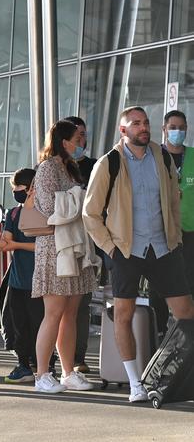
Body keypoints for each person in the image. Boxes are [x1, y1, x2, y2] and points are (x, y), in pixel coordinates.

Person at [83, 106, 194, 403]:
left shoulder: (162, 157)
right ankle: (135, 383)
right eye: (136, 124)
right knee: (124, 314)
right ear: (123, 130)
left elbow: (173, 200)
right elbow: (90, 213)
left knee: (186, 313)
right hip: (127, 250)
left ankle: (168, 375)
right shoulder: (110, 163)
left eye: (145, 123)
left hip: (163, 247)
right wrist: (111, 248)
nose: (143, 127)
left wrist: (175, 237)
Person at [31, 120, 99, 394]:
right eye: (77, 137)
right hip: (55, 247)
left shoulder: (69, 166)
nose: (81, 141)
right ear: (63, 140)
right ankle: (41, 374)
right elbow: (48, 207)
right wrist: (80, 197)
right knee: (54, 312)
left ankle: (68, 371)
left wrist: (77, 197)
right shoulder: (48, 167)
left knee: (70, 312)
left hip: (73, 244)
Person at [0, 168, 42, 383]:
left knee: (39, 324)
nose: (15, 192)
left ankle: (44, 366)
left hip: (39, 279)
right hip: (17, 279)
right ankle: (23, 365)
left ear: (32, 188)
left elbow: (42, 246)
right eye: (13, 188)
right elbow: (6, 241)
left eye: (19, 188)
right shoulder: (14, 213)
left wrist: (15, 245)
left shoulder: (43, 212)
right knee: (20, 325)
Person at [149, 110, 194, 335]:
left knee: (189, 277)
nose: (178, 131)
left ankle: (186, 332)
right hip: (160, 230)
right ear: (164, 129)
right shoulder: (153, 157)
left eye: (182, 127)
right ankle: (158, 331)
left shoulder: (193, 156)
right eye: (173, 127)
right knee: (159, 281)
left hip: (190, 229)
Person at [62, 116, 98, 374]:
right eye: (78, 137)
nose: (82, 141)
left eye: (84, 135)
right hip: (62, 243)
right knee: (57, 305)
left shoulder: (96, 166)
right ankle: (56, 358)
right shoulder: (54, 167)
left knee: (81, 304)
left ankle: (78, 356)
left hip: (87, 242)